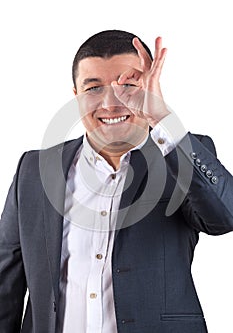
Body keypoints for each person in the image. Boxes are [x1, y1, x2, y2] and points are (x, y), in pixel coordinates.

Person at [0, 29, 233, 333]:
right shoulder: (34, 168)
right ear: (76, 96)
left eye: (129, 86)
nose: (111, 104)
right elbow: (6, 283)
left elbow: (224, 216)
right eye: (94, 88)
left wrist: (163, 120)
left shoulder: (181, 155)